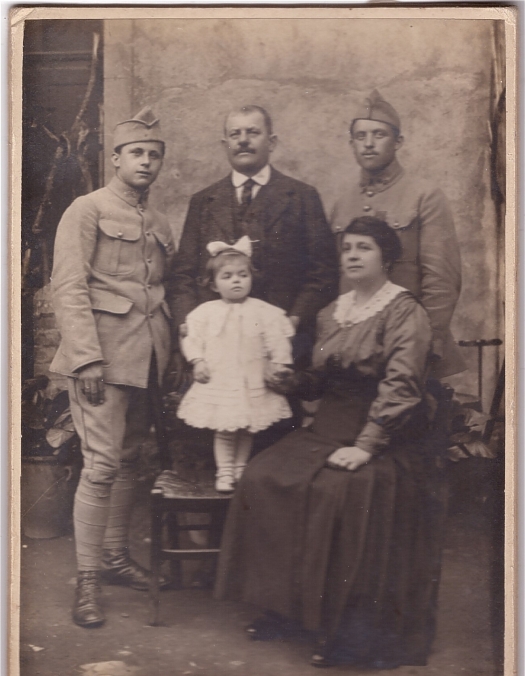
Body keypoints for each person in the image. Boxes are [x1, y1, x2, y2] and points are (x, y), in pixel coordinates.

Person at [215, 216, 439, 670]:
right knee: (264, 476)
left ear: (388, 257)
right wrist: (291, 381)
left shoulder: (404, 312)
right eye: (347, 248)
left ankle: (352, 634)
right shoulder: (331, 312)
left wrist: (367, 445)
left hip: (382, 436)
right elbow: (320, 380)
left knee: (340, 492)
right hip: (325, 430)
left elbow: (402, 387)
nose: (352, 256)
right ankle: (286, 610)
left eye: (365, 248)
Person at [50, 107, 174, 628]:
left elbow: (158, 293)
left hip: (148, 359)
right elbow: (69, 287)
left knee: (133, 461)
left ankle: (117, 558)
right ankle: (87, 581)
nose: (146, 162)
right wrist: (86, 358)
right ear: (116, 159)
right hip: (102, 358)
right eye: (137, 153)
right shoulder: (87, 209)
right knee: (101, 467)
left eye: (154, 155)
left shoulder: (159, 221)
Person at [170, 104, 339, 379]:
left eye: (253, 132)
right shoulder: (203, 202)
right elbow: (182, 275)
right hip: (215, 350)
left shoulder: (302, 197)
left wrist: (294, 319)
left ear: (271, 142)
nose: (244, 140)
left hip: (279, 346)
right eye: (235, 134)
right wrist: (187, 323)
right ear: (225, 144)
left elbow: (324, 273)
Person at [330, 90, 464, 379]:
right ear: (351, 143)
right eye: (360, 136)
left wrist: (425, 343)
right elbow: (337, 280)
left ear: (398, 141)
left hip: (406, 344)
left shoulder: (424, 196)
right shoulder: (342, 204)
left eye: (378, 135)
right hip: (355, 349)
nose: (368, 144)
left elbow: (441, 281)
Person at [177, 237, 294, 492]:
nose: (236, 281)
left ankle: (241, 468)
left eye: (242, 275)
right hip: (222, 378)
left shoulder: (264, 311)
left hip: (252, 378)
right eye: (227, 276)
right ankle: (225, 471)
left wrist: (280, 363)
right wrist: (197, 361)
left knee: (247, 428)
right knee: (226, 428)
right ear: (214, 284)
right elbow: (192, 339)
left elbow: (277, 340)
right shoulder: (205, 313)